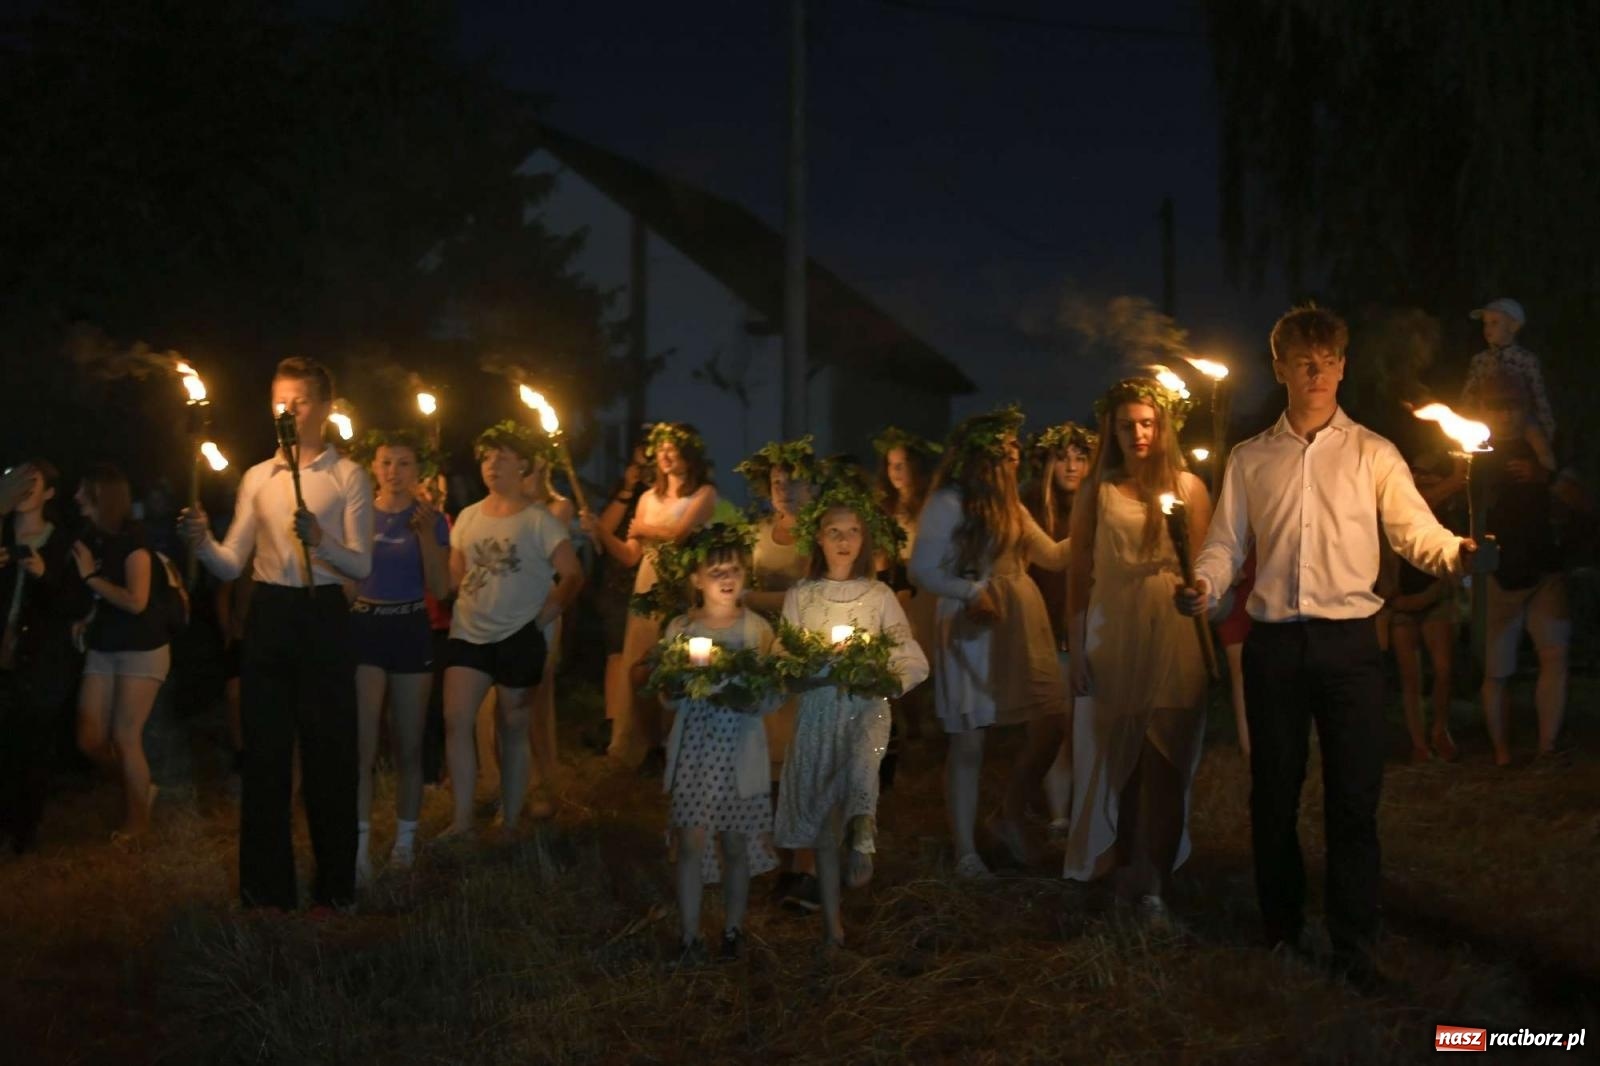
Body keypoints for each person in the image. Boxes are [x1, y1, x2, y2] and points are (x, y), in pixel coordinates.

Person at [1177, 305, 1475, 991]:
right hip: (1275, 646)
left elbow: (1414, 533)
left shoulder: (1373, 452)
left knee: (1353, 798)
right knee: (1273, 794)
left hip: (1349, 648)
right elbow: (1226, 543)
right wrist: (1205, 580)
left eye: (1330, 359)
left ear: (1344, 365)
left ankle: (1353, 938)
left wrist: (1457, 554)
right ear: (1279, 367)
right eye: (1305, 361)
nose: (1319, 372)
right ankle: (1281, 928)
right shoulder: (1252, 459)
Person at [181, 355, 374, 911]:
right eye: (278, 402)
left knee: (329, 753)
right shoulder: (258, 477)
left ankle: (335, 888)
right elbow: (231, 560)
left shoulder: (347, 476)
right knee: (265, 754)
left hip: (324, 615)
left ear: (324, 408)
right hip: (269, 614)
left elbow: (361, 566)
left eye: (299, 401)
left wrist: (322, 543)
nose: (286, 412)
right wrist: (201, 542)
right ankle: (266, 890)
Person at [1062, 380, 1210, 923]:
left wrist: (1202, 594)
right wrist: (1076, 651)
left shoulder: (1190, 489)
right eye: (1128, 424)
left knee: (1166, 762)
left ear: (1164, 426)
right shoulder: (1097, 492)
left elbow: (1210, 563)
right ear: (1113, 429)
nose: (1139, 433)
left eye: (1148, 422)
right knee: (1122, 764)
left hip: (1172, 630)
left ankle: (1159, 885)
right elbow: (1079, 575)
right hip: (1115, 630)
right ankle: (1122, 873)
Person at [908, 406, 1070, 879]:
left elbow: (1054, 557)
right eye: (1007, 449)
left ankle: (1009, 815)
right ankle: (965, 852)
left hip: (1021, 620)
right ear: (981, 458)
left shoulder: (1011, 505)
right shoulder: (949, 503)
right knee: (971, 741)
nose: (1017, 455)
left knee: (1050, 718)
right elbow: (922, 568)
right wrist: (970, 591)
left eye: (1016, 448)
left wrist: (1097, 520)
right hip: (973, 626)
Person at [776, 482, 928, 945]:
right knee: (823, 818)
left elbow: (910, 656)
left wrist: (885, 679)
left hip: (864, 707)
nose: (843, 539)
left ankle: (863, 831)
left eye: (853, 531)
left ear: (865, 539)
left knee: (863, 764)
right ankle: (832, 925)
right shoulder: (802, 596)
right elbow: (786, 658)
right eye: (833, 531)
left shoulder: (878, 596)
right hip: (819, 711)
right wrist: (809, 669)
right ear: (817, 540)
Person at [440, 422, 582, 837]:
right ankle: (462, 819)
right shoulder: (466, 517)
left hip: (519, 635)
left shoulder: (539, 521)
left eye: (502, 456)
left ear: (523, 464)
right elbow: (453, 580)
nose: (492, 464)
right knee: (455, 719)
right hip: (469, 633)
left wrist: (541, 620)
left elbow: (572, 575)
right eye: (486, 456)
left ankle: (511, 816)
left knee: (513, 726)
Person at [652, 522, 783, 963]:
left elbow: (771, 696)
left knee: (734, 842)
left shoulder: (757, 630)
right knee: (690, 838)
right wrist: (675, 685)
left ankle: (732, 929)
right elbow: (667, 698)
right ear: (696, 579)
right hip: (695, 748)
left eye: (734, 569)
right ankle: (689, 937)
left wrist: (749, 694)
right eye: (715, 570)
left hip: (739, 749)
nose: (726, 578)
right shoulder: (679, 629)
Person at [581, 423, 717, 772]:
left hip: (682, 586)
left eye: (674, 449)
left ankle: (683, 745)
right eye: (662, 450)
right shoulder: (646, 498)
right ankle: (646, 744)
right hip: (647, 585)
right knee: (640, 667)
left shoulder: (703, 494)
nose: (666, 455)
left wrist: (644, 530)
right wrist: (601, 531)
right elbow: (629, 554)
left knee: (680, 667)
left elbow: (678, 534)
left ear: (689, 455)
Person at [351, 430, 450, 883]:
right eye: (386, 462)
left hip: (410, 627)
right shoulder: (357, 515)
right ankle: (359, 847)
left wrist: (428, 533)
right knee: (362, 745)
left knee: (408, 744)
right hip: (366, 628)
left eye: (404, 463)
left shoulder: (431, 518)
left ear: (419, 470)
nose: (394, 472)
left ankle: (405, 843)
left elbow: (443, 587)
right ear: (373, 467)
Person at [1470, 371, 1569, 765]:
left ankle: (1547, 746)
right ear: (1483, 409)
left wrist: (1545, 476)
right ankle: (1501, 754)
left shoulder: (1543, 446)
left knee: (1555, 655)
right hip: (1498, 573)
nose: (1507, 413)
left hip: (1545, 568)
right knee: (1497, 670)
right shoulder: (1475, 449)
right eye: (1498, 405)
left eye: (1513, 404)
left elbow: (1573, 491)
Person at [72, 464, 172, 842]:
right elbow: (100, 596)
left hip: (142, 647)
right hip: (104, 644)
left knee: (125, 736)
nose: (76, 497)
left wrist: (90, 578)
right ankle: (138, 789)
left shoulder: (135, 543)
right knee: (89, 737)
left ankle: (136, 824)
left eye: (83, 491)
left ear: (102, 496)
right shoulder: (92, 537)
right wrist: (87, 615)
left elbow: (136, 601)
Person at [0, 461, 80, 854]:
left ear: (48, 493)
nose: (21, 489)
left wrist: (44, 573)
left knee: (32, 745)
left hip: (40, 659)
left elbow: (73, 605)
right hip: (5, 655)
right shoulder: (2, 533)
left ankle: (23, 833)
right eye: (16, 481)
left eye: (31, 483)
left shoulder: (61, 541)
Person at [1021, 422, 1095, 836]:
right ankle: (1057, 815)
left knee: (1083, 725)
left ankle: (1084, 810)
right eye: (1062, 457)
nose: (1071, 466)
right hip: (1044, 628)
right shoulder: (1032, 507)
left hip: (1089, 626)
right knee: (1052, 724)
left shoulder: (1100, 503)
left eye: (1080, 457)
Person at [1386, 455, 1463, 763]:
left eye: (1426, 474)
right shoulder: (1398, 506)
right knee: (1411, 677)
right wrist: (1395, 600)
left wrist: (1435, 593)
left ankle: (1440, 731)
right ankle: (1419, 742)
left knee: (1443, 669)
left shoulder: (1446, 515)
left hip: (1435, 598)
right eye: (1415, 473)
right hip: (1401, 602)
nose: (1420, 479)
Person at [519, 438, 576, 818]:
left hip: (543, 606)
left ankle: (544, 783)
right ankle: (510, 783)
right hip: (507, 608)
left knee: (535, 698)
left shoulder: (558, 506)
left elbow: (545, 545)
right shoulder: (504, 506)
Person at [590, 440, 649, 757]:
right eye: (640, 464)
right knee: (616, 653)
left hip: (652, 582)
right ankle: (613, 722)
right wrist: (628, 487)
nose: (647, 470)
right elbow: (604, 528)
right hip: (619, 584)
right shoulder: (629, 494)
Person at [1460, 298, 1556, 473]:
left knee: (1538, 440)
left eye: (1495, 323)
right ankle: (1461, 475)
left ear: (1513, 326)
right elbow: (1470, 390)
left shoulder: (1526, 359)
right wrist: (1464, 416)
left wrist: (1546, 425)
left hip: (1519, 415)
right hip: (1488, 413)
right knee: (1470, 445)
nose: (1488, 329)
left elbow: (1538, 392)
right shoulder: (1480, 360)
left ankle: (1549, 475)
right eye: (1486, 324)